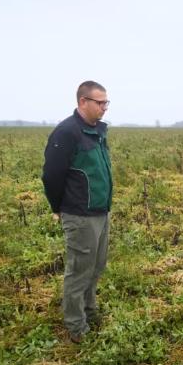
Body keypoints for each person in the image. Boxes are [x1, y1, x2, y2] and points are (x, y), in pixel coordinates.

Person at [42, 81, 113, 344]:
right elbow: (51, 175)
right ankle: (75, 326)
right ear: (83, 102)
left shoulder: (97, 131)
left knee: (96, 266)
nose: (104, 107)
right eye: (99, 102)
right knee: (79, 270)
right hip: (80, 214)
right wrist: (58, 207)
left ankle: (89, 310)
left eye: (107, 102)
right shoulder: (67, 133)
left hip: (100, 212)